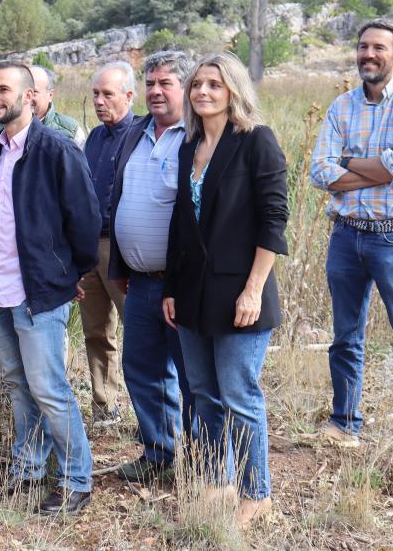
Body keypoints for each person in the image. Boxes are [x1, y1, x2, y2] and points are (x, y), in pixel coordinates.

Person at [163, 52, 288, 527]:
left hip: (241, 292)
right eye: (197, 84)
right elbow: (180, 224)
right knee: (203, 393)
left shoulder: (256, 141)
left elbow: (274, 222)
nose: (203, 92)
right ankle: (220, 482)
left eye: (214, 84)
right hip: (192, 294)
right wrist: (171, 288)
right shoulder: (188, 146)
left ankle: (258, 495)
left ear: (233, 90)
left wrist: (254, 289)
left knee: (239, 396)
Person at [310, 18, 393, 453]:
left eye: (379, 48)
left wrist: (351, 163)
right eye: (363, 46)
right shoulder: (341, 106)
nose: (368, 54)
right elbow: (320, 172)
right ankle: (344, 422)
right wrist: (378, 171)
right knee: (345, 337)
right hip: (347, 236)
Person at [0, 62, 101, 516]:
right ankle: (29, 468)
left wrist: (69, 274)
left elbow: (86, 221)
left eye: (3, 90)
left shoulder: (57, 150)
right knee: (16, 383)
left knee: (49, 387)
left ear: (29, 96)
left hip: (39, 291)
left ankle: (76, 479)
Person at [109, 50, 195, 483]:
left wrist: (178, 283)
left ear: (186, 87)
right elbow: (120, 199)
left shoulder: (197, 137)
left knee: (191, 376)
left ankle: (201, 464)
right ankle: (158, 452)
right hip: (139, 282)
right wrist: (119, 263)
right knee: (141, 368)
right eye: (151, 83)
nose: (156, 91)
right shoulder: (137, 131)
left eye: (166, 83)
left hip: (181, 284)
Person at [78, 61, 137, 426]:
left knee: (140, 328)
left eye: (108, 94)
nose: (100, 102)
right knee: (96, 329)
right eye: (96, 94)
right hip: (89, 244)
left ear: (129, 96)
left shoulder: (142, 133)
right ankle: (104, 405)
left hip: (121, 246)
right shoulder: (95, 137)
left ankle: (156, 413)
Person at [29, 65, 86, 148]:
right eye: (22, 91)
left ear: (50, 95)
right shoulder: (6, 127)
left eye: (34, 92)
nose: (26, 98)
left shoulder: (71, 132)